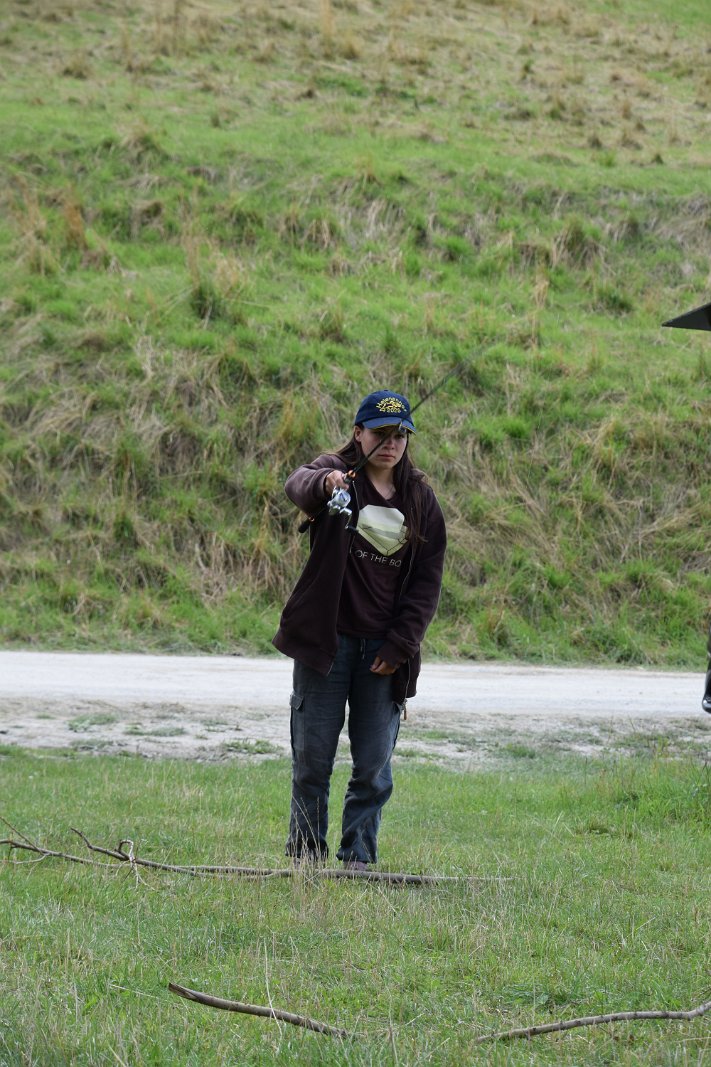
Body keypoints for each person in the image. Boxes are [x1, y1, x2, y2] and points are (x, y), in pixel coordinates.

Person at [272, 388, 447, 870]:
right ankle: (306, 858)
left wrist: (400, 645)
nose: (390, 444)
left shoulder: (421, 500)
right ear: (358, 433)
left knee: (373, 768)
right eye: (380, 434)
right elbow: (298, 484)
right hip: (324, 646)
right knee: (312, 763)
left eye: (400, 435)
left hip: (383, 654)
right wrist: (326, 482)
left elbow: (427, 585)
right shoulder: (337, 475)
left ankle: (358, 860)